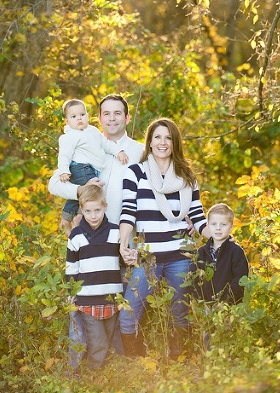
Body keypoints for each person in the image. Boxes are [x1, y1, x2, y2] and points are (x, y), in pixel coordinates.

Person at [48, 94, 144, 361]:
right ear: (99, 117)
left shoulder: (138, 151)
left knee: (118, 299)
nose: (112, 118)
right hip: (89, 236)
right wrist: (80, 191)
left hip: (122, 238)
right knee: (83, 299)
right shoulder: (86, 142)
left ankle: (116, 361)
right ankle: (77, 364)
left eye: (118, 113)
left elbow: (153, 188)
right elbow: (53, 184)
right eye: (106, 113)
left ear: (127, 117)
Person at [118, 118, 211, 359]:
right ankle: (137, 363)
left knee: (180, 313)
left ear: (175, 142)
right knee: (128, 314)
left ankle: (179, 360)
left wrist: (219, 238)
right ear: (149, 142)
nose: (163, 142)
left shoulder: (186, 176)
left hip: (181, 256)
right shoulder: (135, 173)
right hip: (146, 257)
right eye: (157, 137)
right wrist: (123, 244)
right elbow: (128, 212)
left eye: (168, 138)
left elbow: (197, 216)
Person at [65, 184, 123, 373]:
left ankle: (110, 374)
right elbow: (71, 266)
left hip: (112, 297)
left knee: (110, 337)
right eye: (88, 211)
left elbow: (123, 261)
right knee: (98, 342)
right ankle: (92, 375)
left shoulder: (115, 232)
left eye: (97, 210)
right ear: (81, 210)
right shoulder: (76, 235)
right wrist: (71, 292)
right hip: (87, 299)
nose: (93, 216)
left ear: (105, 207)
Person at [56, 98, 129, 236]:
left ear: (88, 116)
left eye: (82, 114)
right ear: (67, 121)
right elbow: (64, 155)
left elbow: (106, 144)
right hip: (80, 168)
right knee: (92, 191)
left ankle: (67, 218)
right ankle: (78, 217)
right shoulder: (69, 137)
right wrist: (63, 171)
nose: (79, 118)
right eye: (73, 116)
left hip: (91, 169)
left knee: (80, 194)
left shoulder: (93, 131)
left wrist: (118, 152)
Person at [193, 203, 249, 304]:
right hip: (205, 305)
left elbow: (240, 280)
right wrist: (201, 301)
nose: (218, 228)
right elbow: (195, 279)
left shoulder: (236, 252)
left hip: (230, 306)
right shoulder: (201, 252)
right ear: (208, 226)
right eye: (214, 224)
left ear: (231, 227)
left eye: (223, 224)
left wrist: (226, 301)